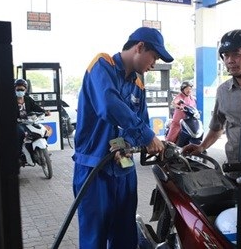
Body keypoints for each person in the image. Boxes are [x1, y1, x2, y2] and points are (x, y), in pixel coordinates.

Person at [72, 27, 174, 249]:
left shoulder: (138, 84)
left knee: (125, 235)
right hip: (94, 167)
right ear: (139, 47)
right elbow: (109, 105)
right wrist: (147, 136)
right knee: (94, 237)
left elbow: (141, 120)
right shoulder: (102, 64)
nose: (154, 64)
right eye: (154, 56)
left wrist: (130, 142)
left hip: (124, 167)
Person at [182, 29, 241, 164]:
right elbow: (217, 127)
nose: (230, 60)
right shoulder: (223, 91)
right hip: (235, 166)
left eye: (236, 54)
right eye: (226, 55)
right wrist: (202, 146)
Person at [15, 78, 50, 159]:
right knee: (21, 133)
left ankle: (43, 150)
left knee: (43, 130)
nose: (20, 90)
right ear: (15, 89)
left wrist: (45, 112)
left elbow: (36, 107)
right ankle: (19, 153)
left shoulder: (28, 99)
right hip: (18, 123)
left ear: (25, 89)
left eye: (22, 89)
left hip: (29, 121)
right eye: (18, 89)